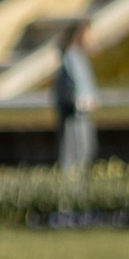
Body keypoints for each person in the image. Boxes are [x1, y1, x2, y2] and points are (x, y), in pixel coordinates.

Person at [52, 22, 97, 180]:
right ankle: (72, 182)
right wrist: (82, 99)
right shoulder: (71, 55)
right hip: (74, 111)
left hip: (80, 110)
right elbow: (75, 83)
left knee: (84, 148)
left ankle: (77, 179)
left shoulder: (77, 55)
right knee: (75, 148)